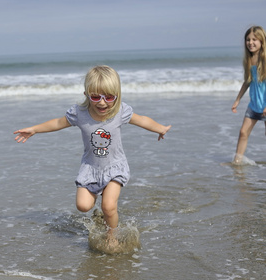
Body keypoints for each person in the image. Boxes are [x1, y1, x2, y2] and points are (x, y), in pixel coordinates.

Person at [14, 65, 171, 247]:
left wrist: (160, 128)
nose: (102, 103)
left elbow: (142, 119)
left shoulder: (120, 112)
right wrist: (34, 129)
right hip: (91, 168)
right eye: (95, 97)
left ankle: (112, 235)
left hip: (115, 167)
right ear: (86, 94)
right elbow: (57, 123)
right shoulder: (79, 114)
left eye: (109, 97)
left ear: (117, 95)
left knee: (109, 206)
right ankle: (101, 210)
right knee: (83, 206)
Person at [231, 25, 266, 164]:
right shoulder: (249, 60)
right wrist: (237, 99)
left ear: (262, 41)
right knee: (243, 132)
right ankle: (237, 161)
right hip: (254, 104)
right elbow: (247, 81)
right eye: (248, 39)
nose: (250, 42)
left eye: (254, 39)